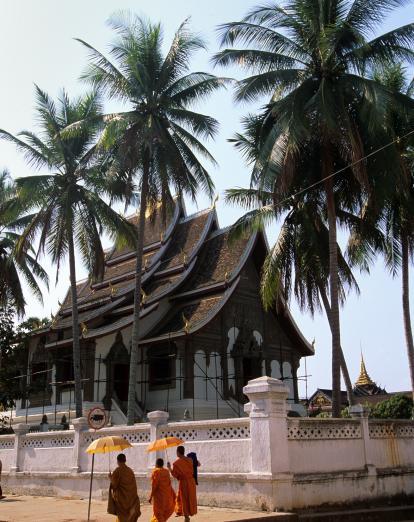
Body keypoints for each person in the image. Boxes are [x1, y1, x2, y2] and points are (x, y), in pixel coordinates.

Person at [167, 446, 197, 522]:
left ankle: (186, 517)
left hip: (184, 482)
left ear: (178, 452)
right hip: (191, 482)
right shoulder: (190, 460)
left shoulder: (176, 463)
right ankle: (189, 513)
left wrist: (169, 468)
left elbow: (175, 475)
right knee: (190, 498)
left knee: (184, 499)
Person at [109, 453, 141, 522]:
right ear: (125, 460)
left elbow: (114, 485)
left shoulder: (117, 471)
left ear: (117, 461)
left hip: (121, 501)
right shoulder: (130, 471)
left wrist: (110, 478)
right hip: (131, 499)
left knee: (122, 518)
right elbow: (134, 486)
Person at [149, 458, 176, 522]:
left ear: (156, 464)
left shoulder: (156, 472)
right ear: (162, 464)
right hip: (167, 496)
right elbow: (169, 483)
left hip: (159, 497)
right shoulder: (166, 471)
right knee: (164, 512)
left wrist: (150, 497)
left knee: (158, 513)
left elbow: (154, 486)